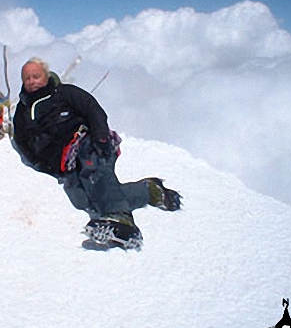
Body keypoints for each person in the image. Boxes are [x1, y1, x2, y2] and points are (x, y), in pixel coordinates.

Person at [12, 57, 181, 249]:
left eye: (36, 76)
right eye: (27, 78)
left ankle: (122, 220)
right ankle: (148, 190)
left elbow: (93, 109)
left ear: (46, 75)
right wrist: (41, 164)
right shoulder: (22, 110)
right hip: (64, 162)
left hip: (87, 141)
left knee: (93, 167)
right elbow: (22, 140)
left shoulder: (64, 93)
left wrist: (101, 138)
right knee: (84, 200)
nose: (32, 81)